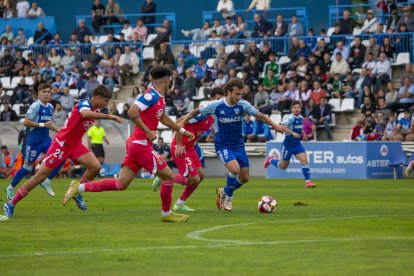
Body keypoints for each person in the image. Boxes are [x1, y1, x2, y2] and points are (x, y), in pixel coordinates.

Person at [61, 66, 195, 223]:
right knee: (168, 176)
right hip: (140, 144)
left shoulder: (158, 98)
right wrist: (148, 131)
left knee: (121, 183)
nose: (172, 81)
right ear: (166, 80)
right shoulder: (150, 96)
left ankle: (78, 187)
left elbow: (162, 117)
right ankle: (166, 214)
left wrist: (181, 130)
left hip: (137, 143)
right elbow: (132, 111)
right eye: (171, 79)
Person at [2, 85, 124, 220]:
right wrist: (109, 116)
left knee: (95, 166)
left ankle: (77, 191)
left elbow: (95, 113)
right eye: (106, 101)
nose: (106, 104)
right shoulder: (83, 104)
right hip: (61, 145)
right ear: (98, 98)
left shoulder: (97, 107)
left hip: (75, 145)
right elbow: (85, 114)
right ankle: (10, 203)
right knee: (40, 177)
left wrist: (109, 111)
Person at [180, 79, 288, 211]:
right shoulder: (216, 105)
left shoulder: (243, 105)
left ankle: (224, 191)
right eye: (237, 94)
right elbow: (195, 112)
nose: (239, 97)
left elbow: (260, 115)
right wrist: (183, 122)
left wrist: (276, 126)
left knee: (245, 178)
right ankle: (229, 198)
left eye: (241, 94)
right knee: (235, 170)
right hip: (223, 144)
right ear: (229, 92)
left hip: (238, 145)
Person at [152, 88, 225, 211]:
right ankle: (163, 175)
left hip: (190, 148)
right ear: (212, 98)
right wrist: (179, 144)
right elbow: (180, 124)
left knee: (200, 176)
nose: (220, 102)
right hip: (180, 147)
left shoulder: (213, 116)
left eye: (221, 100)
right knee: (193, 179)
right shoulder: (204, 113)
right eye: (217, 99)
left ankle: (180, 203)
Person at [5, 84, 61, 201]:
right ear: (39, 93)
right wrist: (42, 125)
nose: (47, 94)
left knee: (59, 157)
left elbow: (49, 124)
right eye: (44, 91)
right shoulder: (35, 106)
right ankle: (10, 187)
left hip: (46, 139)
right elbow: (26, 122)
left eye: (49, 92)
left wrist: (60, 131)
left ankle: (46, 181)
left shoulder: (50, 106)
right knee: (27, 167)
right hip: (34, 141)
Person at [265, 101, 316, 188]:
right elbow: (282, 126)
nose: (296, 109)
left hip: (297, 145)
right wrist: (292, 133)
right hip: (288, 145)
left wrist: (303, 134)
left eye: (298, 108)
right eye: (294, 108)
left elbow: (299, 127)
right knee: (283, 166)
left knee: (304, 160)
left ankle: (308, 182)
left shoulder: (300, 117)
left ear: (300, 109)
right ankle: (270, 160)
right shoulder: (290, 118)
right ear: (291, 109)